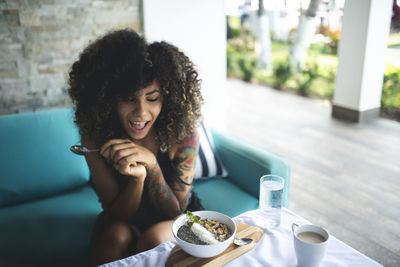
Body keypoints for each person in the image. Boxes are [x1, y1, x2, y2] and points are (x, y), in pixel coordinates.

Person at [68, 29, 204, 266]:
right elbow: (117, 213)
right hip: (124, 216)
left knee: (154, 239)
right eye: (129, 98)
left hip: (181, 216)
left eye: (152, 98)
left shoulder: (184, 134)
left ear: (167, 98)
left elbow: (174, 210)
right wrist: (137, 179)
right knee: (114, 236)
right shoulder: (94, 139)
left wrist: (151, 164)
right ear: (108, 100)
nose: (141, 112)